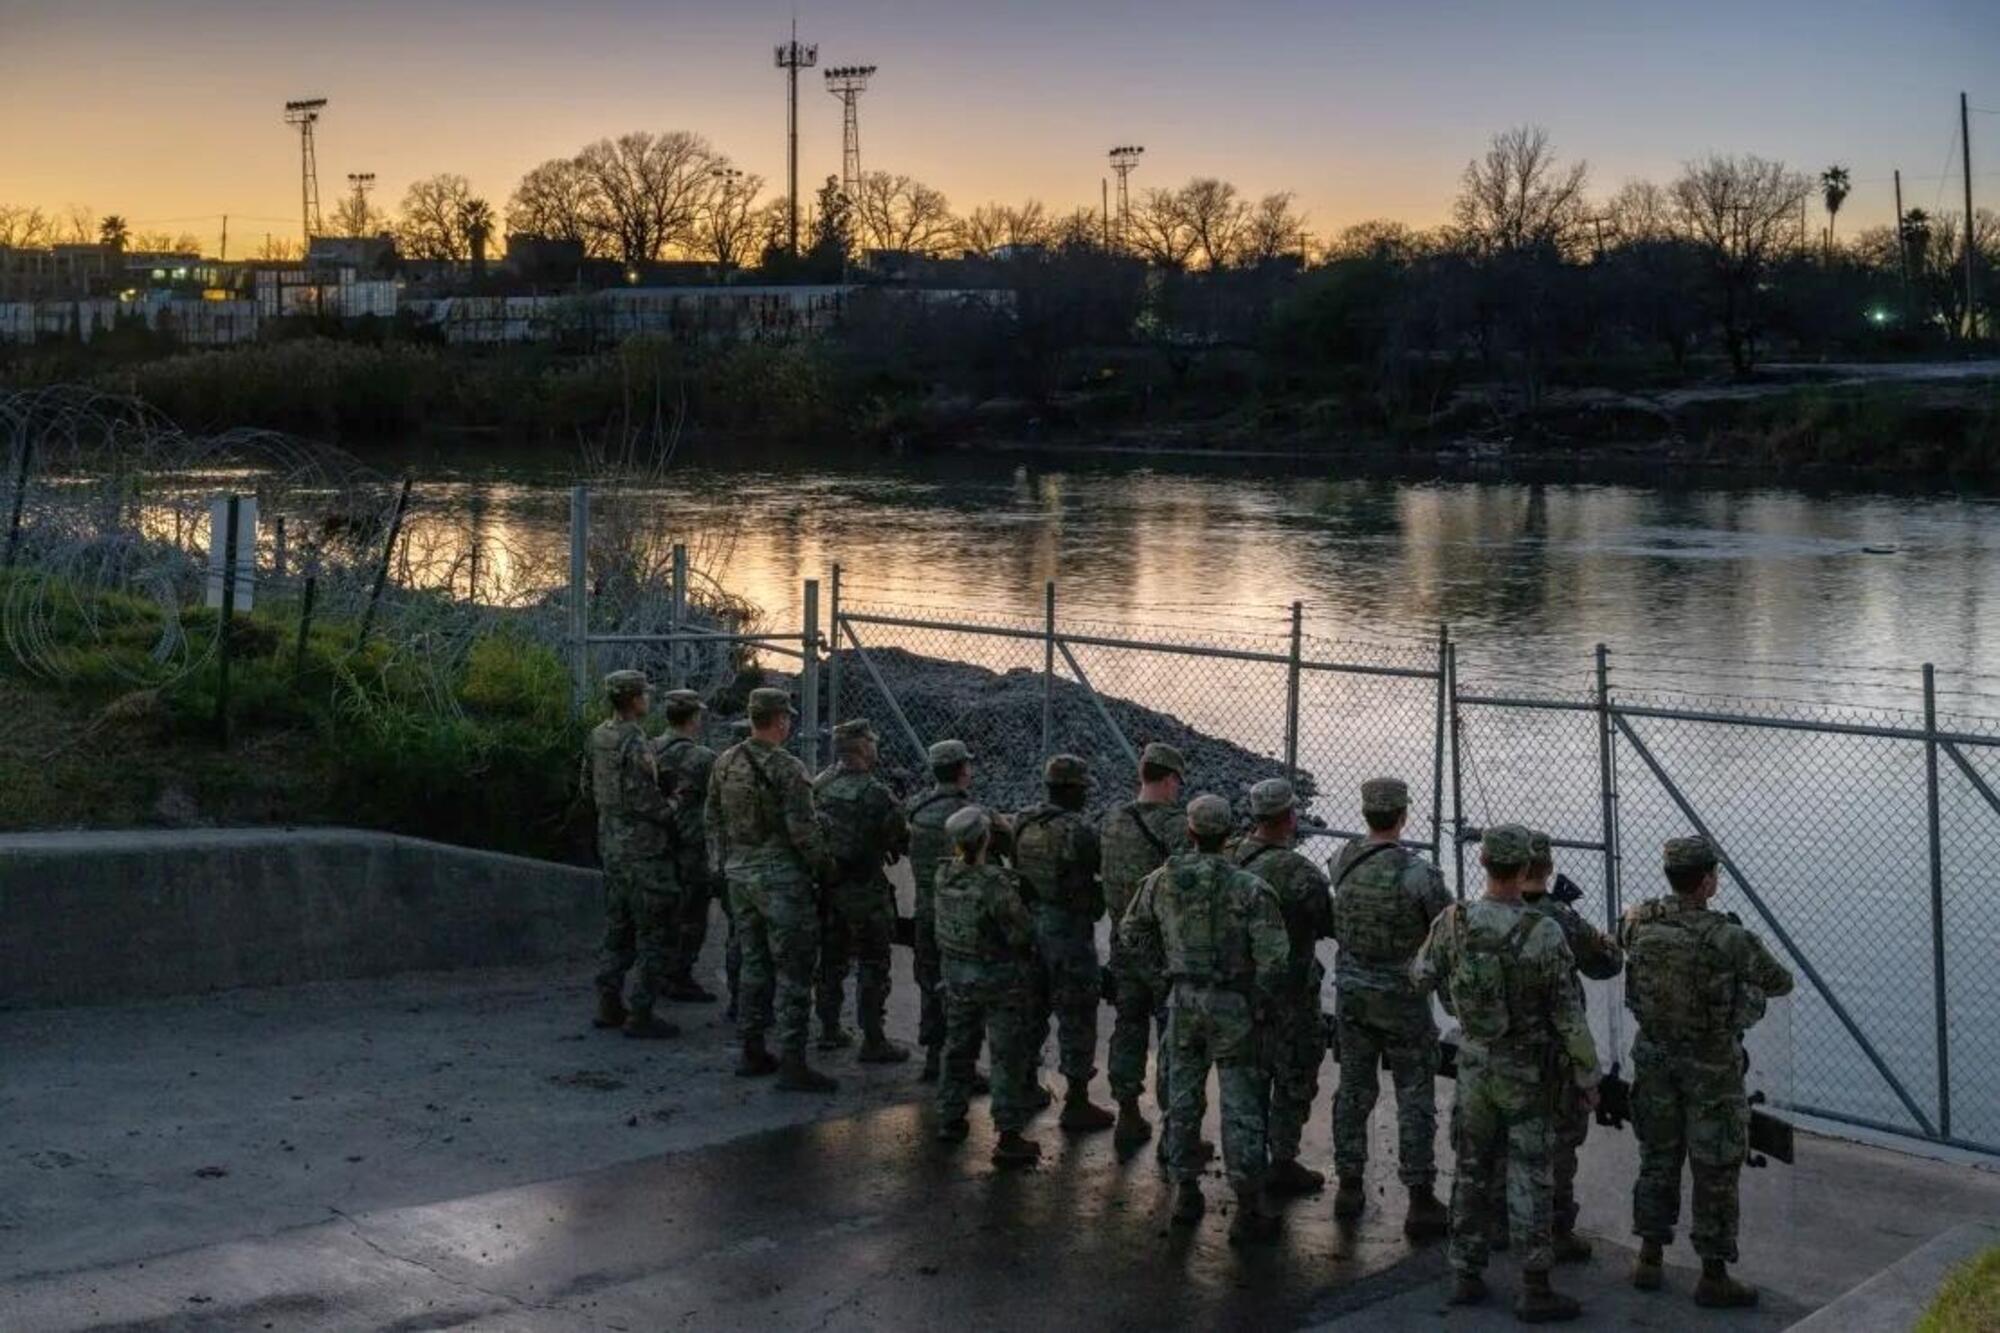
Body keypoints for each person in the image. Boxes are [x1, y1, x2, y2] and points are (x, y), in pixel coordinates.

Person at [1412, 824, 1600, 1323]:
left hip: (1474, 1063)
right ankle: (1534, 1285)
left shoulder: (1453, 920)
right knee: (1532, 1174)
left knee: (1472, 1169)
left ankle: (1465, 1273)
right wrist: (1587, 1074)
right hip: (1529, 1072)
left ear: (1483, 864)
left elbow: (1420, 975)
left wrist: (1458, 1000)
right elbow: (1568, 1015)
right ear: (1525, 871)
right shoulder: (1545, 932)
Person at [1622, 835, 1795, 1308]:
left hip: (1655, 1061)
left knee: (1657, 1156)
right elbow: (1780, 982)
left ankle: (1649, 1257)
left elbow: (1619, 943)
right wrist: (1744, 1000)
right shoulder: (1728, 937)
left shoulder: (1639, 921)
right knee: (1714, 1166)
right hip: (1711, 1068)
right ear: (1707, 882)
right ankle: (1713, 1275)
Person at [1120, 794, 1290, 1244]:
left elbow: (1131, 931)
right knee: (1241, 1105)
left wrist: (1162, 977)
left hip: (1184, 1002)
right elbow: (1275, 959)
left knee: (1182, 1098)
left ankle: (1186, 1191)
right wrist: (1258, 1000)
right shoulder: (1250, 889)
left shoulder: (1161, 881)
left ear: (1190, 833)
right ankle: (1247, 1207)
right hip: (1233, 1004)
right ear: (1228, 834)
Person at [1328, 777, 1453, 1236]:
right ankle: (1420, 1197)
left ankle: (1349, 1184)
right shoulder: (1419, 874)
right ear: (1403, 816)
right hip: (1403, 996)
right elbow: (1444, 928)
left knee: (1354, 1090)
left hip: (1353, 994)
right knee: (1414, 1096)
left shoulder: (1342, 859)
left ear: (1366, 813)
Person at [705, 686, 838, 1092]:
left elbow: (712, 819)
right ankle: (794, 1062)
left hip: (739, 877)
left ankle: (752, 1048)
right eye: (787, 717)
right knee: (795, 971)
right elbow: (804, 832)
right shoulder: (788, 768)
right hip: (781, 881)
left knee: (753, 964)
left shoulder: (725, 762)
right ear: (779, 720)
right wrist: (826, 870)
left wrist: (721, 864)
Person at [1518, 829, 1622, 1261]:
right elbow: (1606, 965)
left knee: (1495, 1135)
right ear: (1547, 869)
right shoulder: (1560, 920)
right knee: (1559, 1141)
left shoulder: (1478, 913)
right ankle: (1555, 1230)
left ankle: (1495, 1216)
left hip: (1499, 1049)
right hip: (1555, 1053)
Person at [1232, 777, 1334, 1197]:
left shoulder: (1228, 857)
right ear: (1291, 817)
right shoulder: (1301, 874)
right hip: (1291, 995)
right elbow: (1329, 925)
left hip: (1240, 991)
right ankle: (1283, 1158)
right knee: (1293, 1076)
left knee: (1249, 1077)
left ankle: (1247, 1156)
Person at [933, 804, 1043, 1168]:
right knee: (1005, 1054)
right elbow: (1022, 932)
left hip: (957, 976)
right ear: (986, 839)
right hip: (998, 980)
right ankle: (1008, 1135)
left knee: (958, 1047)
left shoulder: (944, 875)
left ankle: (950, 1116)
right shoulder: (995, 883)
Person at [1012, 753, 1115, 1132]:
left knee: (1031, 1007)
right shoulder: (1079, 831)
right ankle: (1076, 1100)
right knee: (1077, 1015)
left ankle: (1024, 1084)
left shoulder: (1023, 821)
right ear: (1073, 791)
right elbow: (1094, 876)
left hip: (1029, 926)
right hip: (1069, 934)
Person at [580, 669, 681, 1041]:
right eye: (645, 694)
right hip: (642, 848)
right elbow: (644, 797)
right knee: (655, 928)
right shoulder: (634, 740)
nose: (648, 699)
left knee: (618, 925)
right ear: (635, 699)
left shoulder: (599, 735)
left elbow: (586, 785)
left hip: (611, 841)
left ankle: (608, 1001)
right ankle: (642, 1011)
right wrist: (671, 807)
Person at [1100, 742, 1191, 1148]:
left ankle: (1128, 1112)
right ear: (1170, 779)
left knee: (1128, 1025)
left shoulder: (1114, 819)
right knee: (1173, 1036)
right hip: (1164, 949)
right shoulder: (1175, 826)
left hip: (1122, 939)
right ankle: (1175, 1126)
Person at [811, 719, 911, 1063]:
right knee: (873, 963)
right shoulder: (875, 793)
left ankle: (828, 1029)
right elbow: (899, 838)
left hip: (829, 886)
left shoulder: (820, 785)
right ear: (863, 748)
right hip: (866, 889)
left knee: (831, 961)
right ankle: (873, 1038)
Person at [905, 740, 979, 1082]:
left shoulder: (917, 809)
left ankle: (934, 1057)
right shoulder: (969, 815)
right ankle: (959, 1065)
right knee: (961, 992)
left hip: (925, 908)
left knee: (929, 982)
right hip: (960, 919)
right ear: (963, 770)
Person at [654, 689, 722, 1005]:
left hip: (655, 841)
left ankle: (659, 970)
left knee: (663, 910)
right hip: (691, 844)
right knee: (693, 913)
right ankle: (679, 974)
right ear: (694, 718)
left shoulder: (651, 749)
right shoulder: (702, 758)